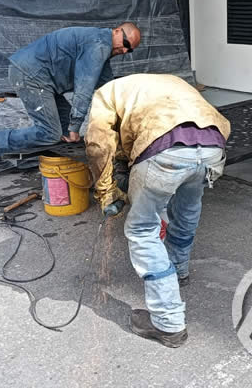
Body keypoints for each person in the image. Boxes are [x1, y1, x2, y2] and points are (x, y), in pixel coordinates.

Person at [85, 74, 230, 348]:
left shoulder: (105, 94)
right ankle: (178, 270)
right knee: (186, 211)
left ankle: (168, 323)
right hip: (213, 147)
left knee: (142, 230)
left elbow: (98, 145)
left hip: (166, 150)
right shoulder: (167, 83)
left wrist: (106, 191)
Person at [0, 23, 141, 182]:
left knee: (66, 132)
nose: (125, 51)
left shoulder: (100, 46)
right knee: (50, 133)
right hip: (31, 76)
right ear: (117, 31)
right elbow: (84, 89)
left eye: (130, 50)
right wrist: (74, 128)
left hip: (44, 80)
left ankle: (74, 173)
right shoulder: (98, 45)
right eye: (126, 44)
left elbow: (110, 89)